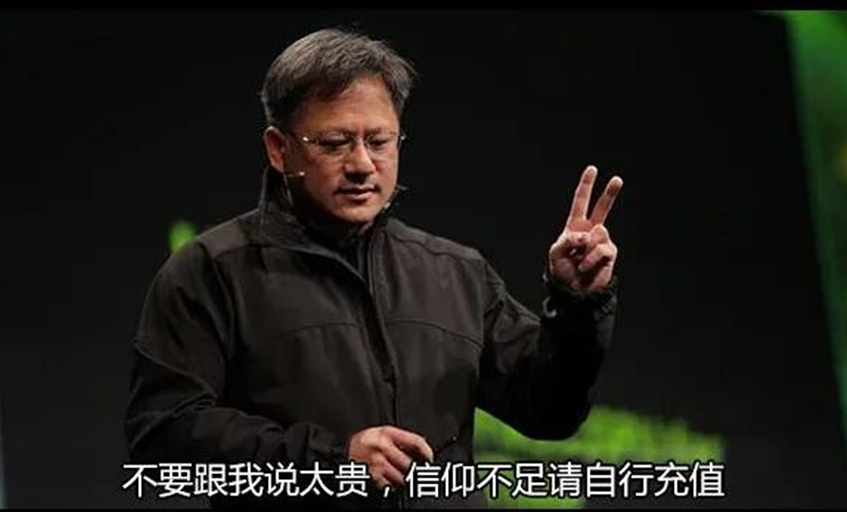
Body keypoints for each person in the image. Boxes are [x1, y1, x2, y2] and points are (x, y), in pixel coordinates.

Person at [124, 27, 623, 509]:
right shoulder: (213, 270)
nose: (362, 164)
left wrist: (577, 306)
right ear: (279, 149)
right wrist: (334, 461)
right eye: (334, 143)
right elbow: (163, 434)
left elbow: (549, 412)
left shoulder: (455, 273)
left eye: (379, 141)